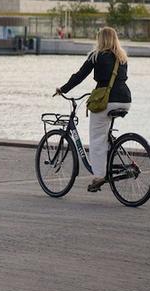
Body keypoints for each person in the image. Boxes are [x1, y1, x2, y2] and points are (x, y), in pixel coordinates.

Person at [55, 26, 132, 192]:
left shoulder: (96, 56)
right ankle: (110, 159)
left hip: (106, 100)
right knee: (105, 135)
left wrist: (63, 89)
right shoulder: (122, 57)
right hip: (125, 100)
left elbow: (79, 76)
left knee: (97, 139)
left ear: (100, 39)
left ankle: (99, 176)